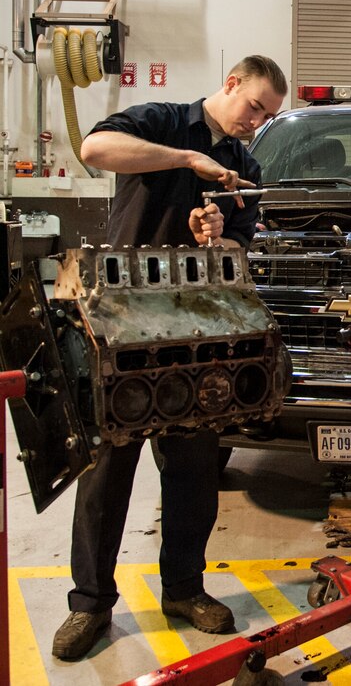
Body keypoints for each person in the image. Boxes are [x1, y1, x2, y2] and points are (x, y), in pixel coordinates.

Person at [51, 55, 287, 661]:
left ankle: (184, 589)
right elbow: (95, 149)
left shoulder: (244, 167)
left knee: (193, 470)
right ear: (231, 84)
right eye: (254, 107)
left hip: (196, 329)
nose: (256, 122)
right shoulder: (160, 121)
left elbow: (240, 244)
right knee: (107, 471)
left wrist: (217, 234)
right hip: (122, 324)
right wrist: (185, 159)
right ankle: (90, 604)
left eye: (267, 116)